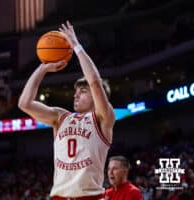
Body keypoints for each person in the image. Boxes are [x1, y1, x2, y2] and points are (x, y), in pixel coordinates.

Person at [18, 21, 115, 199]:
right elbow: (24, 103)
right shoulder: (61, 117)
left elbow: (94, 81)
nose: (75, 96)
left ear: (96, 95)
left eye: (83, 92)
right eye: (75, 92)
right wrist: (43, 68)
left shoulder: (103, 118)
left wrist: (76, 46)